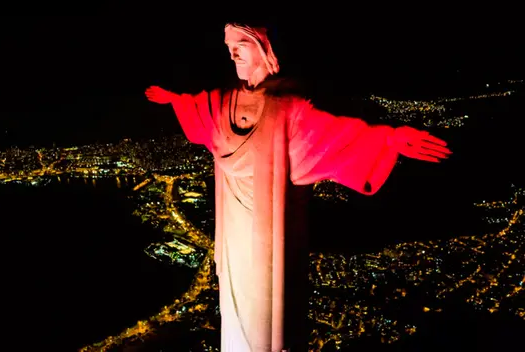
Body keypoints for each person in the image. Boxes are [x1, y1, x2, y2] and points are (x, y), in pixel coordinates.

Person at [145, 22, 451, 352]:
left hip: (274, 235)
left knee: (270, 316)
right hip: (234, 232)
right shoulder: (223, 101)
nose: (232, 52)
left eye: (240, 44)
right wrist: (177, 100)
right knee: (235, 313)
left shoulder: (287, 105)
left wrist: (388, 138)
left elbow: (338, 132)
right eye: (228, 46)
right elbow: (198, 107)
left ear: (264, 48)